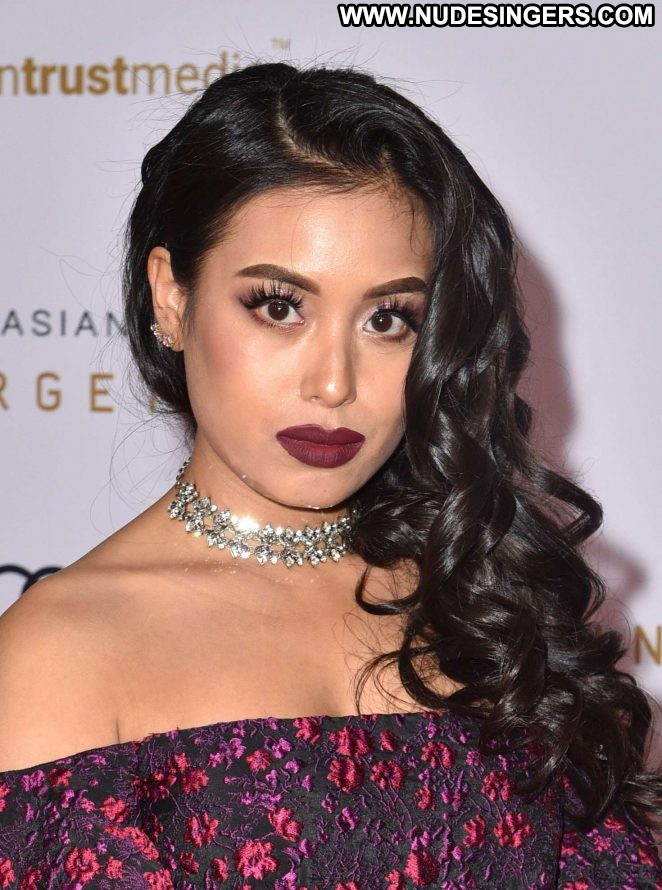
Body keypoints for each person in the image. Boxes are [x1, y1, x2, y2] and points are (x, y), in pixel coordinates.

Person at [0, 60, 659, 889]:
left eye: (389, 319)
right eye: (280, 307)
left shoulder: (484, 603)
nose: (335, 383)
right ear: (170, 297)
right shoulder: (59, 654)